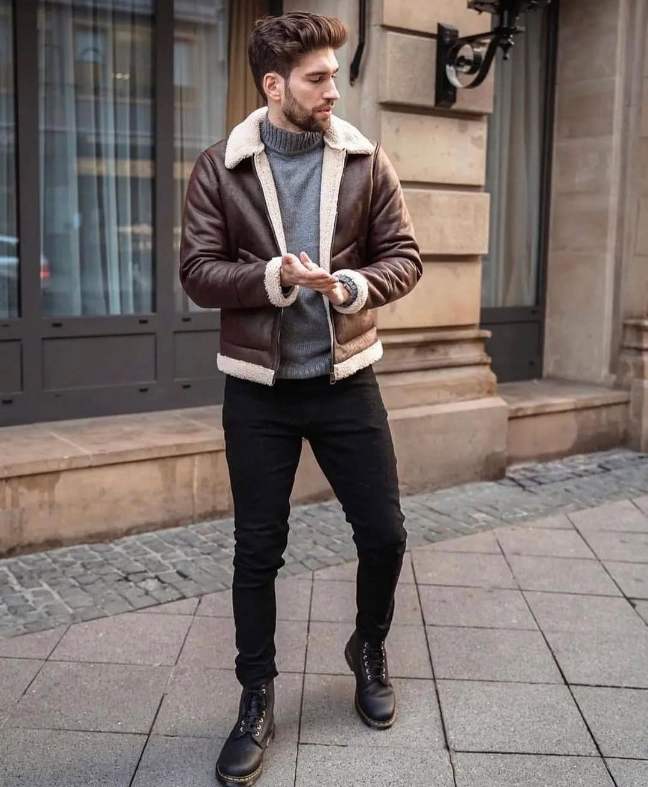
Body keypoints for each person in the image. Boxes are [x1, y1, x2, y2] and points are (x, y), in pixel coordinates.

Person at [179, 11, 422, 786]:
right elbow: (197, 272)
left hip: (349, 380)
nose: (333, 90)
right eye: (318, 78)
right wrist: (272, 280)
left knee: (383, 533)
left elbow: (404, 257)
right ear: (273, 84)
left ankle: (368, 646)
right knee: (258, 550)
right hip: (260, 391)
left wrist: (351, 285)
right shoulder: (220, 168)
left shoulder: (364, 158)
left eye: (335, 75)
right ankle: (256, 696)